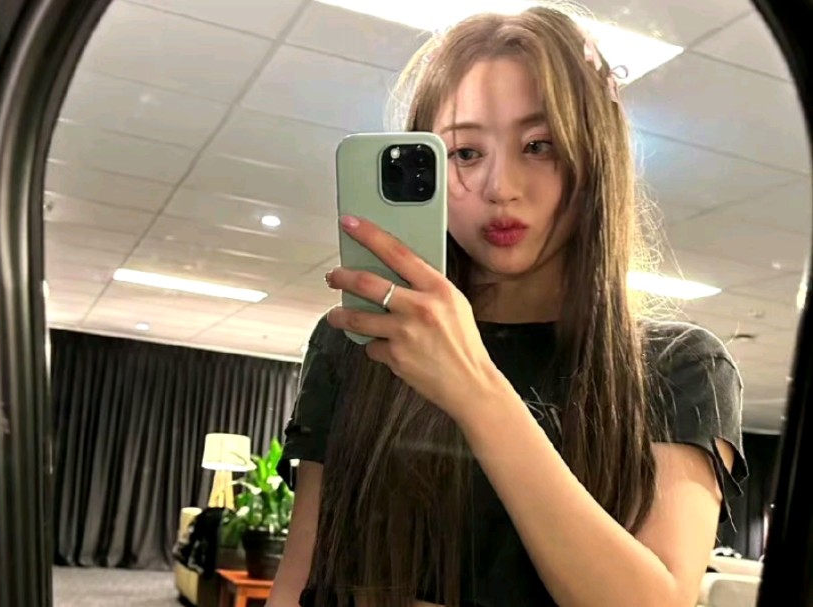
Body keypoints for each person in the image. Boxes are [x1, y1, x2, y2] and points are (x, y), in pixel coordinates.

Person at [269, 6, 747, 607]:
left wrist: (476, 390)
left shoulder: (680, 365)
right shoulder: (361, 339)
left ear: (594, 157)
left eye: (539, 145)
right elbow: (301, 577)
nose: (500, 187)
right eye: (466, 152)